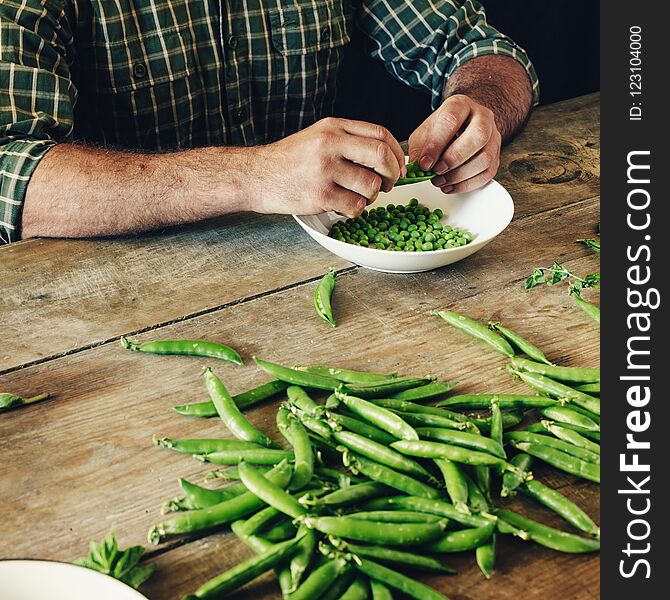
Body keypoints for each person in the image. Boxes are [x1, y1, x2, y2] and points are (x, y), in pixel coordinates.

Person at [0, 1, 538, 244]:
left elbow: (482, 48)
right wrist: (252, 175)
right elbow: (10, 173)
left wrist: (479, 104)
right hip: (127, 300)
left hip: (329, 270)